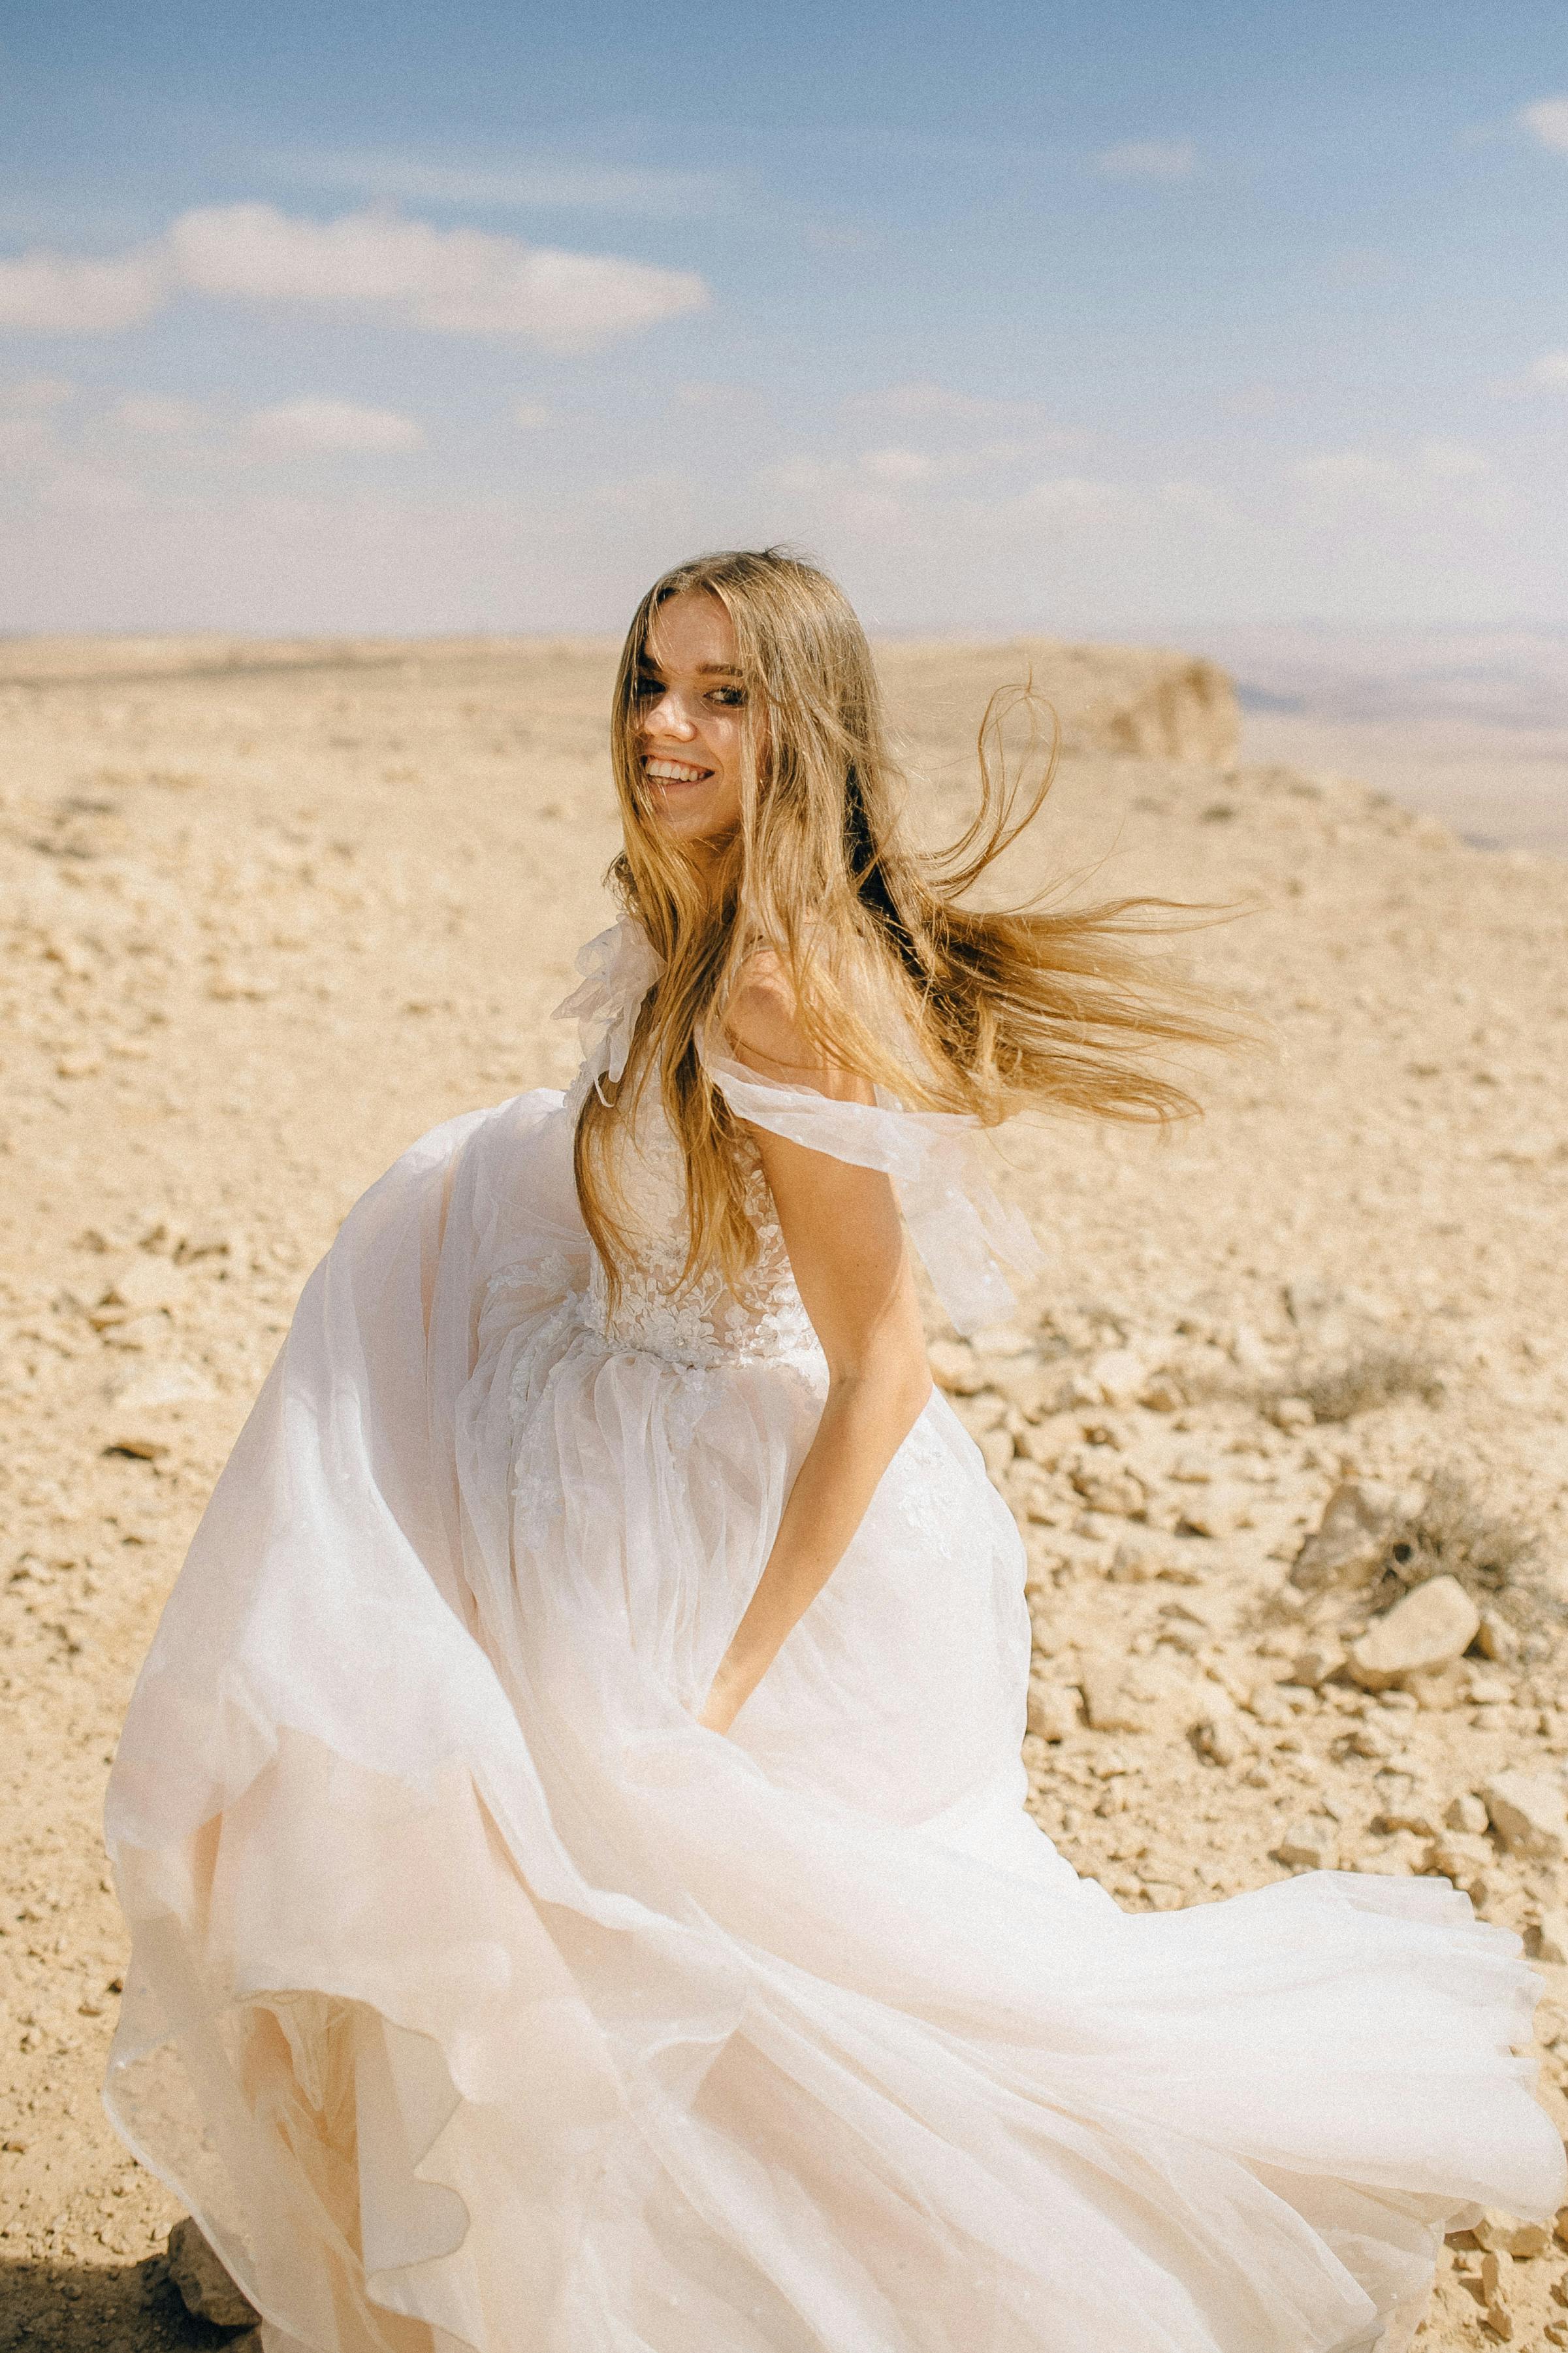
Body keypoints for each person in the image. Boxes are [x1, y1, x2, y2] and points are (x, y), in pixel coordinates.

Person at [104, 549, 1563, 2353]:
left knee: (729, 1974)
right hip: (611, 1495)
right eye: (652, 678)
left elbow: (881, 1364)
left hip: (728, 1550)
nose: (664, 724)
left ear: (807, 725)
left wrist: (718, 1685)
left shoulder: (780, 984)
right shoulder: (686, 926)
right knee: (557, 1920)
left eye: (722, 693)